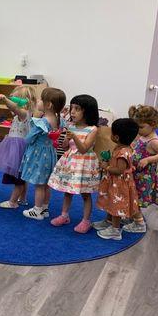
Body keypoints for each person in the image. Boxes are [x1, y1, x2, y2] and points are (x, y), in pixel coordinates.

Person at [48, 95, 101, 233]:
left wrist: (75, 137)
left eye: (77, 109)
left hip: (84, 165)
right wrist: (64, 136)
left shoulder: (93, 129)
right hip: (71, 163)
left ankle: (86, 221)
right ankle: (64, 215)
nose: (72, 112)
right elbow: (66, 146)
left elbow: (84, 149)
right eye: (72, 108)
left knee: (85, 193)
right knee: (67, 191)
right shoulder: (71, 126)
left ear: (87, 111)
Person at [21, 87, 66, 220]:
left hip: (39, 154)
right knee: (46, 183)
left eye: (41, 99)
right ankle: (45, 208)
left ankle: (37, 210)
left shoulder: (42, 122)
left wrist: (33, 120)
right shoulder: (59, 120)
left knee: (39, 184)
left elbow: (29, 138)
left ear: (48, 104)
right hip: (51, 153)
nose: (38, 101)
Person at [124, 105, 158, 233]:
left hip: (143, 177)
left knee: (136, 199)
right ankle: (132, 218)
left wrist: (148, 159)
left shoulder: (154, 141)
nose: (138, 130)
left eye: (141, 127)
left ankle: (139, 224)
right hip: (136, 174)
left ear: (153, 124)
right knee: (131, 197)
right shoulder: (143, 136)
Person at [93, 118, 140, 240]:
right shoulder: (120, 148)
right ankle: (108, 221)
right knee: (111, 201)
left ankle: (115, 230)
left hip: (119, 184)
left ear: (117, 137)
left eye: (112, 133)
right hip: (113, 182)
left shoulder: (123, 152)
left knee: (116, 204)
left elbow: (119, 170)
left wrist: (106, 166)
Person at [0, 85, 37, 208]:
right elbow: (14, 108)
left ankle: (13, 202)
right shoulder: (21, 114)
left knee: (18, 178)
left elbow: (14, 107)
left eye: (15, 99)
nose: (12, 102)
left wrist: (5, 100)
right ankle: (23, 198)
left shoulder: (24, 114)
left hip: (19, 149)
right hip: (16, 146)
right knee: (22, 176)